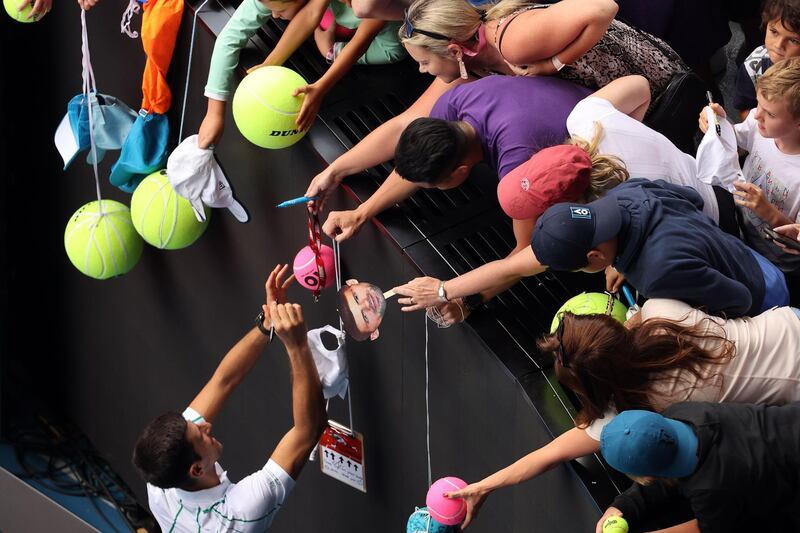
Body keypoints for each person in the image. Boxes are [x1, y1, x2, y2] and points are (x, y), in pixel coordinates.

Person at [441, 298, 800, 530]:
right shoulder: (662, 312)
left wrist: (487, 484)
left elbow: (557, 451)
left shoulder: (658, 404)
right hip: (789, 323)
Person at [393, 179, 789, 318]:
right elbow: (688, 197)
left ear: (594, 259)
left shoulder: (657, 272)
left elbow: (738, 300)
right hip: (742, 252)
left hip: (764, 295)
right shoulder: (626, 192)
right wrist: (445, 289)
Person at [132, 265, 326, 532]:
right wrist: (297, 344)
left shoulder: (160, 480)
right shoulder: (239, 514)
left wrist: (266, 324)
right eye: (201, 436)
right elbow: (308, 431)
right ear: (197, 470)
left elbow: (223, 381)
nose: (205, 425)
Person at [497, 75, 739, 237]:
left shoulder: (613, 211)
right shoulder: (585, 117)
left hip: (716, 225)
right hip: (711, 176)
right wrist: (632, 129)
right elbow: (641, 86)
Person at [198, 0, 405, 148]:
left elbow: (364, 40)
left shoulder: (368, 5)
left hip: (388, 37)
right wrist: (214, 111)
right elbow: (309, 15)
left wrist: (327, 63)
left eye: (279, 11)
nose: (274, 16)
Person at [399, 0, 687, 99]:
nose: (423, 71)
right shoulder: (481, 66)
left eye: (424, 62)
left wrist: (555, 64)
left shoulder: (512, 42)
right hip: (625, 91)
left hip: (658, 81)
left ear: (455, 51)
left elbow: (604, 7)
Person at [596, 404, 800, 533]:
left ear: (647, 476)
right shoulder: (683, 413)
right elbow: (661, 460)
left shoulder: (711, 488)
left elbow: (708, 527)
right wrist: (622, 506)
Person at [702, 57, 800, 303]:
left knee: (778, 292)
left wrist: (767, 210)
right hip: (745, 228)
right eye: (758, 105)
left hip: (782, 259)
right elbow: (737, 138)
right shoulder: (760, 125)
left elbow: (796, 235)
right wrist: (719, 123)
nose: (757, 117)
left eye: (770, 113)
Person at [733, 0, 800, 120]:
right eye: (774, 32)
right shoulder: (753, 68)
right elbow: (744, 108)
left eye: (794, 40)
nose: (778, 45)